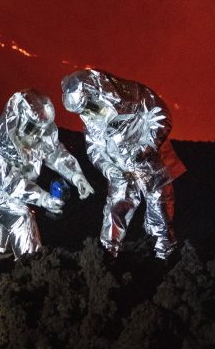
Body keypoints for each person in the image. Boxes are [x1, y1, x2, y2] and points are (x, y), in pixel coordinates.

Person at [0, 89, 93, 282]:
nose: (38, 134)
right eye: (32, 127)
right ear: (18, 119)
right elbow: (12, 183)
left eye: (42, 128)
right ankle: (33, 274)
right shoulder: (1, 144)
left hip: (6, 186)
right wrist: (44, 199)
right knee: (21, 218)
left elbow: (56, 154)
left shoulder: (39, 132)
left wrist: (77, 176)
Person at [61, 69, 185, 260]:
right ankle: (106, 256)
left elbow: (161, 116)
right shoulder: (91, 119)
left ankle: (164, 256)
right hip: (120, 171)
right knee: (115, 210)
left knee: (159, 208)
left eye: (87, 106)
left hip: (149, 165)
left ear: (96, 91)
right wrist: (110, 169)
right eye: (81, 111)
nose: (86, 113)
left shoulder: (134, 95)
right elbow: (94, 150)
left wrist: (146, 148)